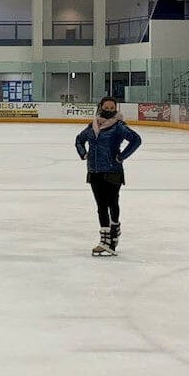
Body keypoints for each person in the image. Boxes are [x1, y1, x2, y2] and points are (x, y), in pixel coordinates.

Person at [74, 96, 143, 256]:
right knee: (101, 206)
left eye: (112, 108)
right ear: (101, 107)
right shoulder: (92, 126)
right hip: (94, 171)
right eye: (107, 107)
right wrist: (84, 153)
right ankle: (105, 240)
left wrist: (122, 156)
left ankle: (114, 231)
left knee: (112, 202)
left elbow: (136, 140)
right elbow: (79, 140)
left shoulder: (119, 126)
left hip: (112, 171)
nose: (109, 110)